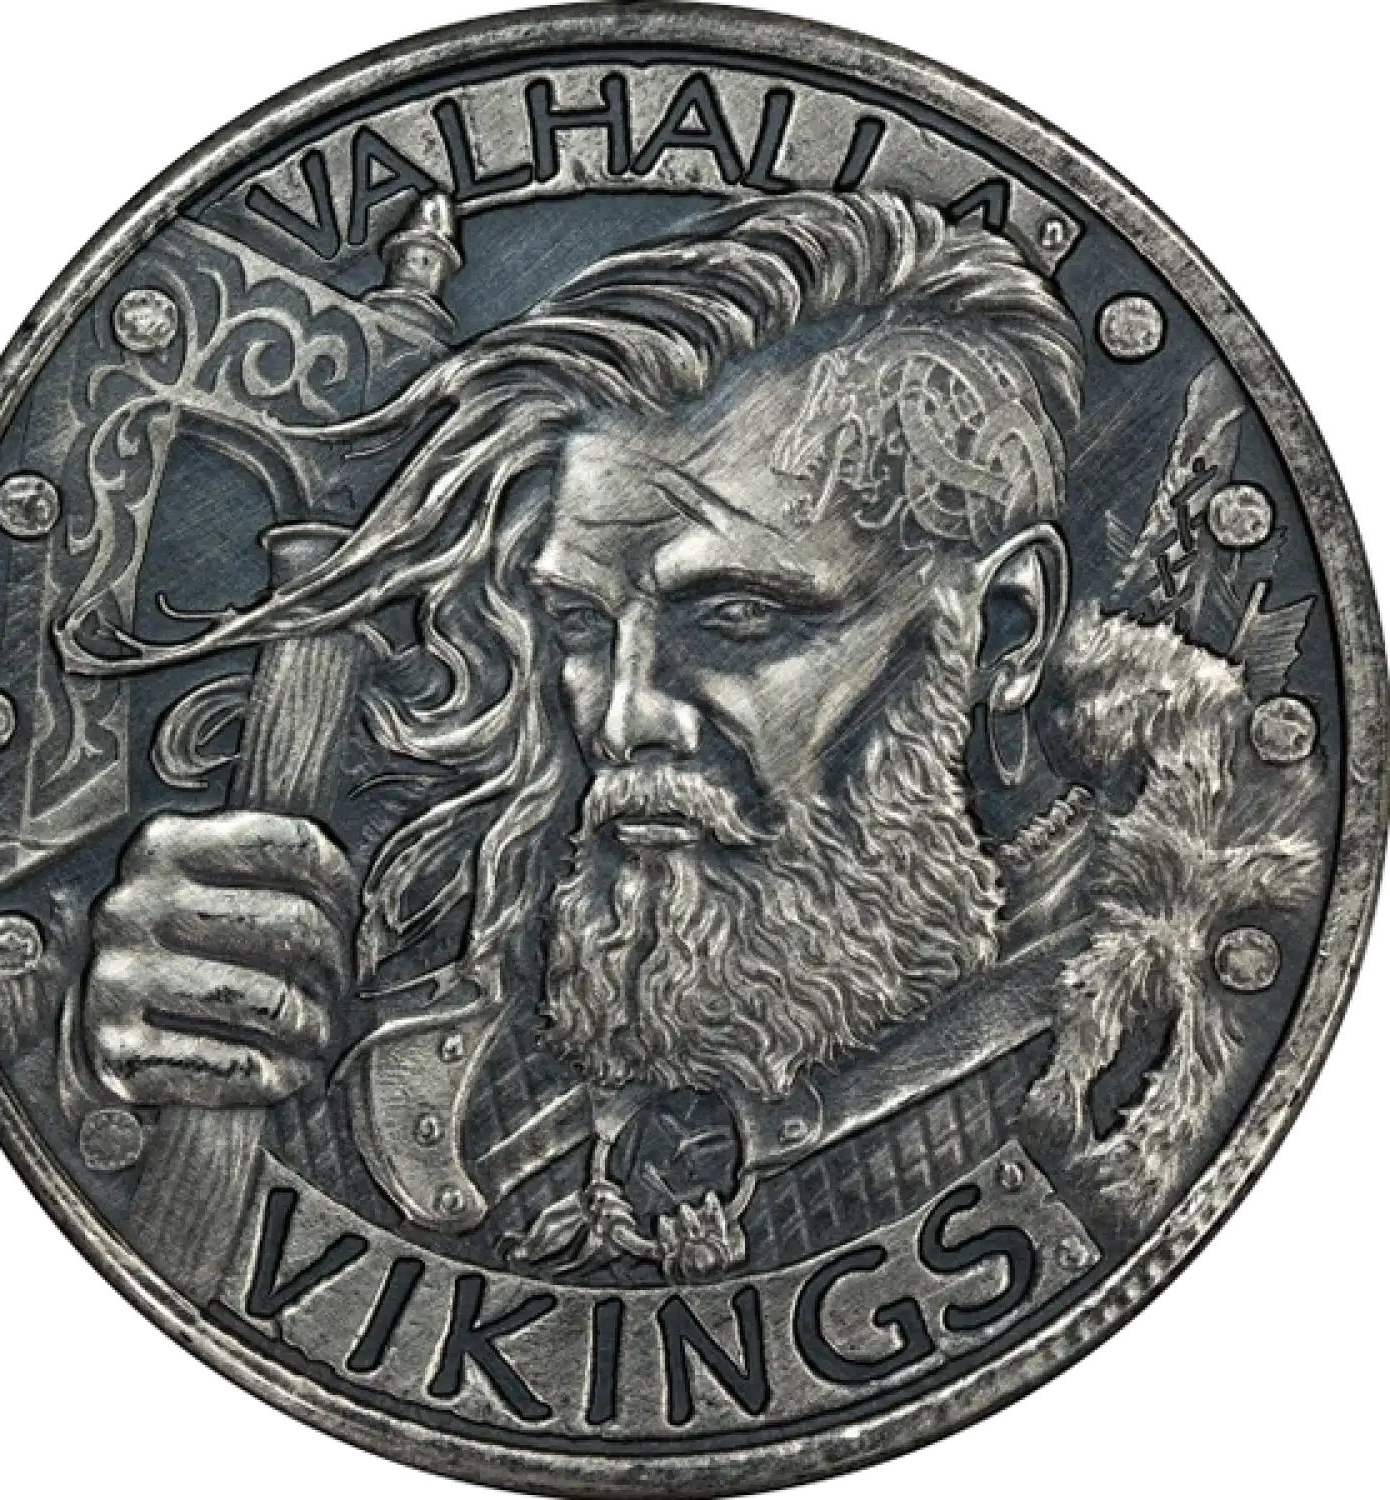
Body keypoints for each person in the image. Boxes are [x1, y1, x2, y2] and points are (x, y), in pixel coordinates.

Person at [78, 190, 1322, 1282]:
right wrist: (150, 1044)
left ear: (1002, 629)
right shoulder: (478, 994)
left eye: (735, 619)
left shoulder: (1156, 1060)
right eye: (580, 623)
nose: (623, 715)